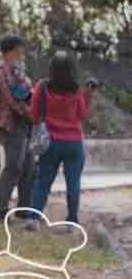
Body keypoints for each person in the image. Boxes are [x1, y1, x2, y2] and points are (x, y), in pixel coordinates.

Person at [26, 51, 99, 229]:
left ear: (51, 68)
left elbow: (34, 116)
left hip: (50, 142)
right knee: (73, 183)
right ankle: (72, 221)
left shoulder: (42, 87)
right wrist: (88, 96)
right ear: (72, 69)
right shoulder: (76, 90)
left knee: (43, 181)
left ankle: (34, 218)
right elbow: (81, 115)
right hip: (74, 143)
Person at [0, 34, 34, 222]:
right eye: (20, 48)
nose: (22, 51)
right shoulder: (2, 71)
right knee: (13, 166)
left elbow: (29, 92)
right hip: (10, 123)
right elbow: (9, 99)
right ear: (12, 49)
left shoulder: (18, 70)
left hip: (25, 123)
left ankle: (24, 208)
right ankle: (1, 209)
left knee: (28, 167)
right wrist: (28, 111)